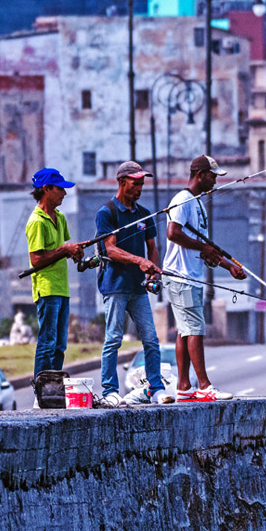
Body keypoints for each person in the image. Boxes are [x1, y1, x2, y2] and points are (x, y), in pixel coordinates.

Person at [162, 155, 246, 402]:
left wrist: (228, 266)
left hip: (192, 276)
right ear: (200, 175)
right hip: (181, 276)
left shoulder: (197, 203)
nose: (215, 182)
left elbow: (203, 247)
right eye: (212, 176)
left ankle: (184, 387)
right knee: (195, 329)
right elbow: (173, 233)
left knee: (184, 332)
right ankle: (204, 385)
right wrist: (202, 248)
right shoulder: (182, 200)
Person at [95, 161, 171, 407]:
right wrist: (139, 261)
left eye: (142, 183)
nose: (140, 188)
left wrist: (153, 273)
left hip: (139, 287)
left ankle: (156, 388)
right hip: (115, 285)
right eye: (135, 183)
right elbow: (110, 248)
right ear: (121, 182)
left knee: (150, 338)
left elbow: (152, 248)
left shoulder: (144, 214)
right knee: (114, 338)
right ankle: (109, 390)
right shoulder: (107, 212)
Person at [25, 168, 84, 376]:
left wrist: (73, 251)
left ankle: (54, 388)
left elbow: (61, 249)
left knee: (60, 345)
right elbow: (37, 259)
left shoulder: (59, 217)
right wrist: (65, 250)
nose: (64, 194)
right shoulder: (36, 222)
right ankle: (41, 391)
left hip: (62, 287)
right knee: (47, 343)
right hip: (47, 289)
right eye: (60, 189)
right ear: (46, 189)